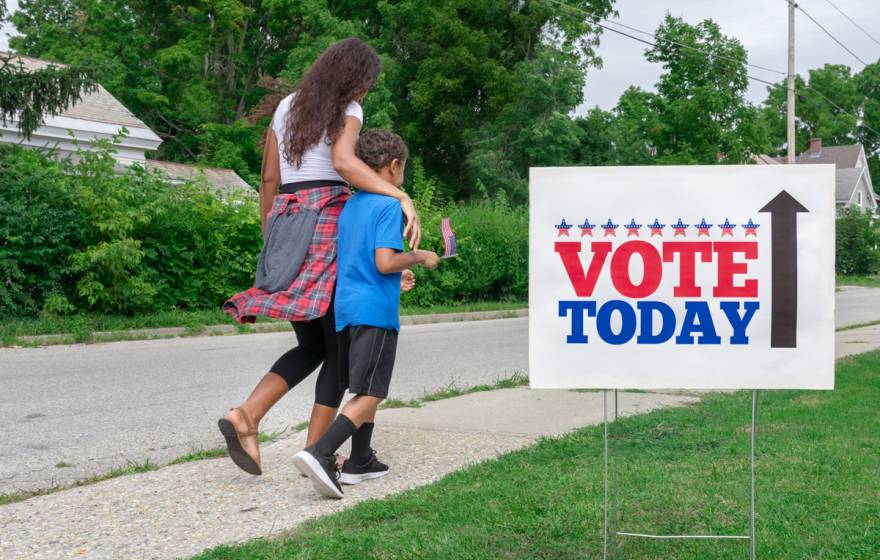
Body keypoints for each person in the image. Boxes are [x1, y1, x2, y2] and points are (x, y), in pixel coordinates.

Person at [218, 38, 421, 476]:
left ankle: (249, 416)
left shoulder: (287, 105)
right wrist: (400, 194)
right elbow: (345, 163)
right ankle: (317, 453)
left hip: (285, 218)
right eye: (366, 83)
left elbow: (269, 177)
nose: (366, 92)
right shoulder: (347, 107)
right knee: (337, 351)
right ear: (354, 79)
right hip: (326, 220)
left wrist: (271, 235)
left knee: (309, 344)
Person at [293, 129, 439, 498]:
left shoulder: (353, 204)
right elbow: (385, 260)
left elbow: (369, 262)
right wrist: (420, 257)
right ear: (393, 167)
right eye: (403, 168)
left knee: (361, 386)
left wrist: (397, 274)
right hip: (375, 312)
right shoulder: (389, 205)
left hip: (347, 309)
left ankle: (361, 460)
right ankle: (321, 453)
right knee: (371, 393)